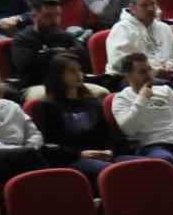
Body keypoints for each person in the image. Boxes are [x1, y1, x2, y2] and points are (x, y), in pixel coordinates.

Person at [34, 54, 120, 184]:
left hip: (103, 154)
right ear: (58, 76)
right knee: (114, 172)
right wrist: (80, 154)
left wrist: (110, 150)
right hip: (72, 159)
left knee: (140, 166)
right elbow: (50, 145)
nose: (79, 74)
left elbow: (107, 133)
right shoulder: (47, 106)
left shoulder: (92, 102)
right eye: (72, 71)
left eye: (79, 70)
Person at [11, 0, 98, 99]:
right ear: (34, 15)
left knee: (101, 91)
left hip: (70, 82)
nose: (54, 21)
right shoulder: (22, 39)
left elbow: (83, 57)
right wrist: (59, 53)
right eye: (48, 16)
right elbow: (25, 66)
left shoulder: (63, 35)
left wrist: (47, 55)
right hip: (37, 84)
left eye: (57, 15)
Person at [105, 0, 173, 82]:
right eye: (144, 5)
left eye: (153, 4)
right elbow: (119, 63)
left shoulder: (164, 28)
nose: (150, 9)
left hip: (166, 77)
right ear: (132, 8)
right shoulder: (121, 28)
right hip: (131, 81)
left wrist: (168, 67)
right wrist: (155, 70)